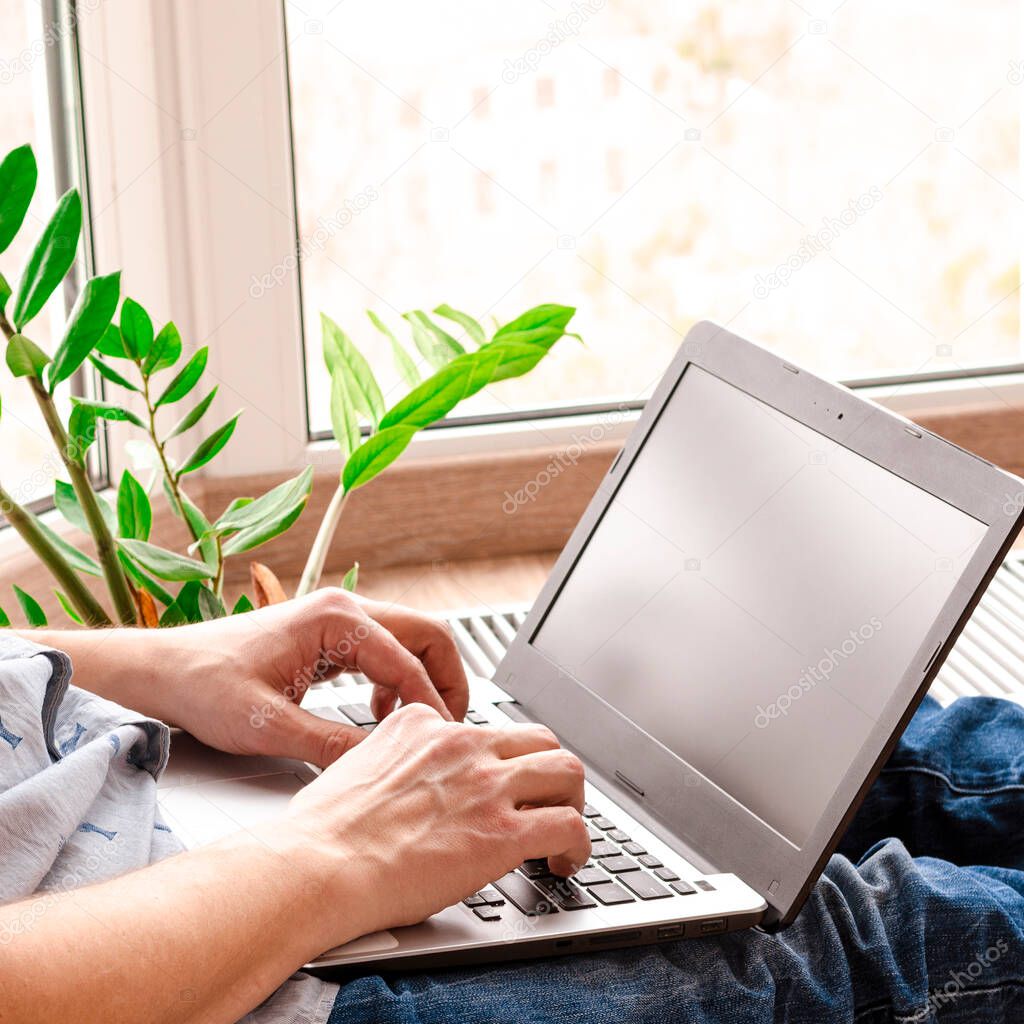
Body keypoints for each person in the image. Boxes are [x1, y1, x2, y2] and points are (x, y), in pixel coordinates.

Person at [0, 589, 1021, 1023]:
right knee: (891, 937)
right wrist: (328, 854)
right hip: (191, 975)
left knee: (861, 757)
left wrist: (135, 664)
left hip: (122, 777)